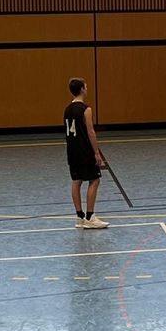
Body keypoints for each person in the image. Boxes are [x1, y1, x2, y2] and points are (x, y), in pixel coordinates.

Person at [64, 78, 108, 229]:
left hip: (72, 151)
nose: (87, 89)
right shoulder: (86, 109)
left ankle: (79, 217)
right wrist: (96, 153)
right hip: (84, 151)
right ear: (82, 89)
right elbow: (90, 132)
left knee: (76, 181)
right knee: (94, 180)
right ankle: (90, 217)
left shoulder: (67, 109)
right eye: (86, 86)